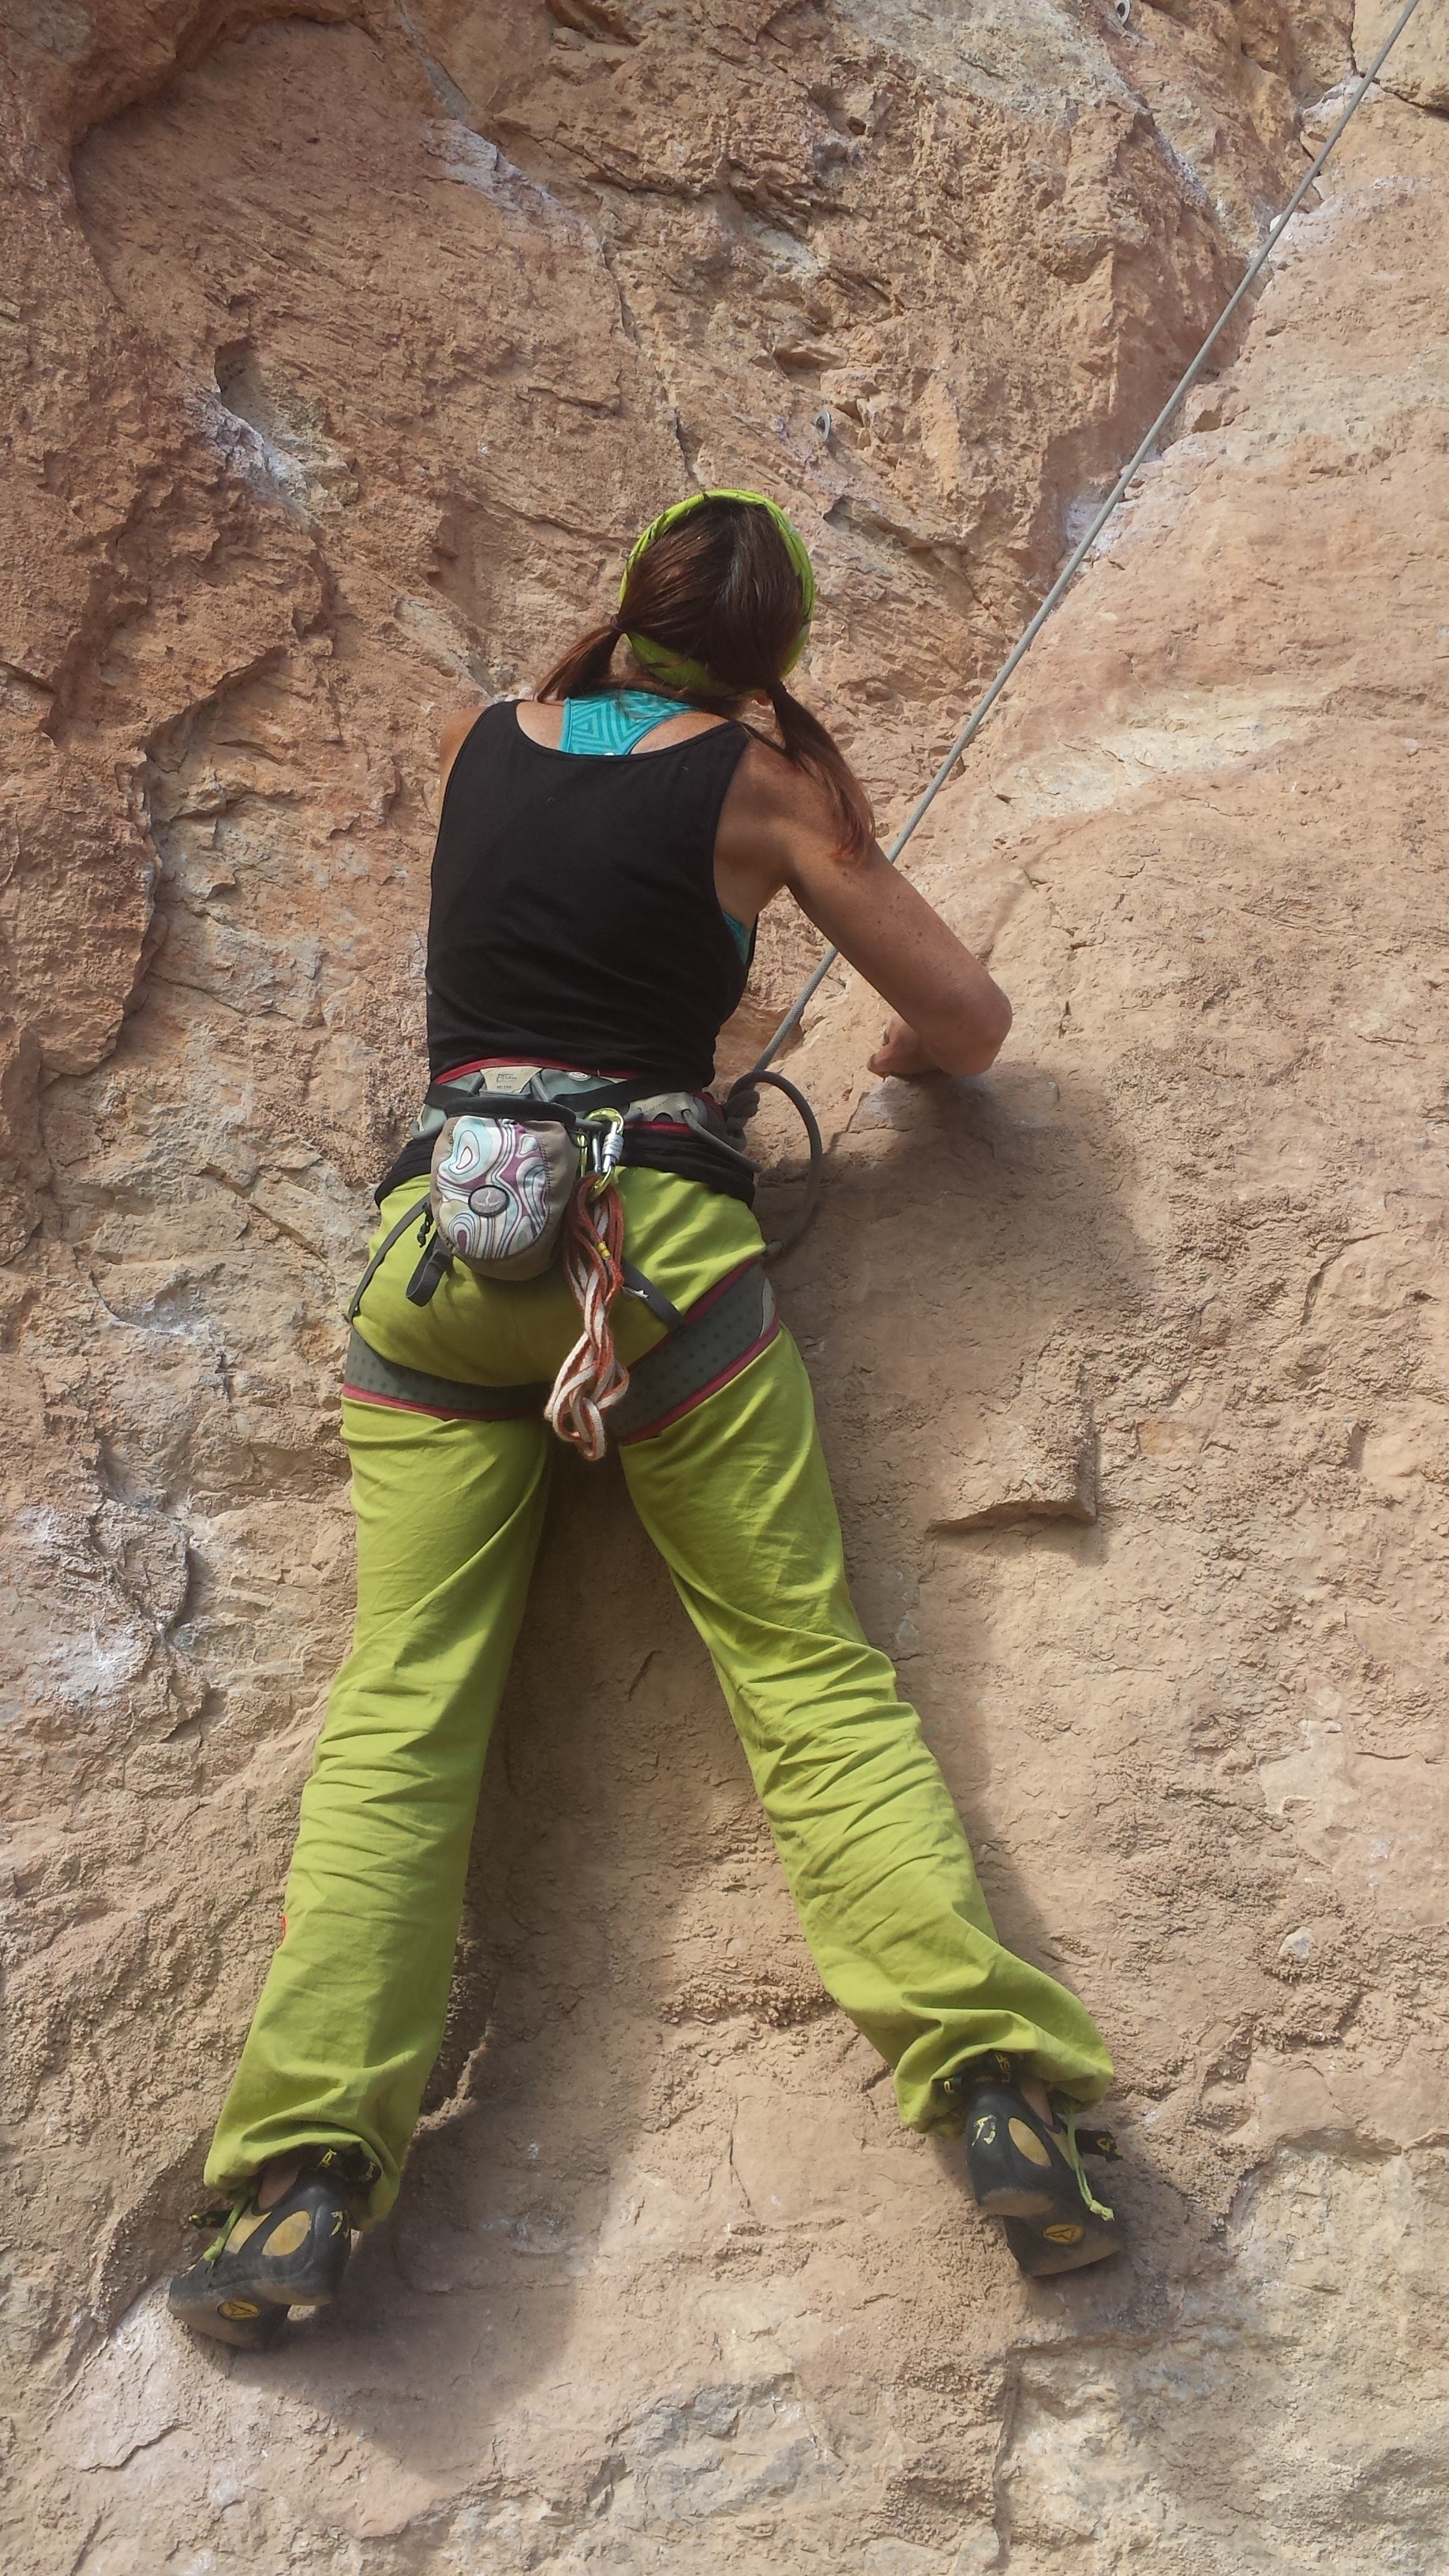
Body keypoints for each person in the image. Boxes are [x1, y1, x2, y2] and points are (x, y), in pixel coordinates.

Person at [169, 491, 1122, 2350]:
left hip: (446, 1250)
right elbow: (969, 1016)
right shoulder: (765, 794)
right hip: (656, 1261)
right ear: (774, 654)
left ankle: (296, 2181)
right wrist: (904, 1052)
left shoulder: (488, 736)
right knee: (805, 1674)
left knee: (401, 1709)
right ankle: (994, 2084)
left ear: (629, 604)